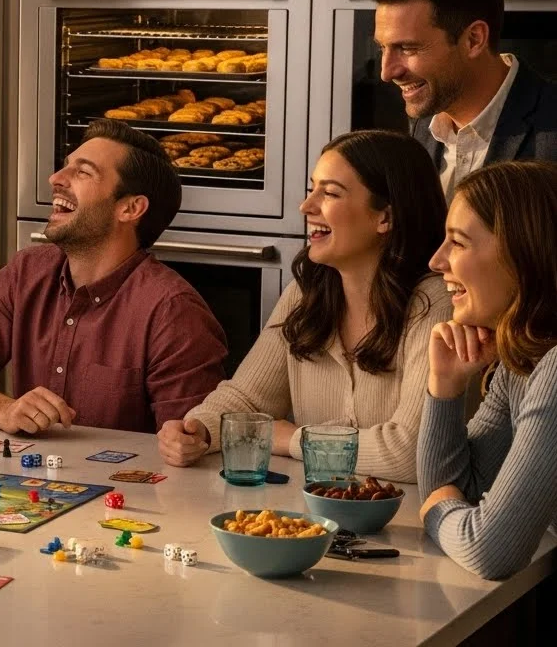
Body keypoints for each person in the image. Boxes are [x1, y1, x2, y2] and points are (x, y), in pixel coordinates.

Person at [159, 131, 450, 483]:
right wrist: (200, 430)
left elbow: (412, 450)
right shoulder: (307, 292)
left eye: (329, 193)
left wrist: (291, 438)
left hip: (411, 524)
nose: (306, 206)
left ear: (385, 217)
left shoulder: (435, 303)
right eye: (312, 189)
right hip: (316, 514)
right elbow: (248, 399)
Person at [0, 119, 226, 435]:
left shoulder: (175, 313)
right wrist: (3, 410)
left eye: (83, 172)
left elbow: (194, 451)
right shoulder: (26, 273)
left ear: (131, 208)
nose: (55, 179)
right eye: (65, 167)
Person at [418, 161, 557, 580]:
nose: (436, 260)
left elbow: (489, 550)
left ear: (522, 253)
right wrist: (444, 386)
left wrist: (435, 510)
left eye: (457, 243)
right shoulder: (523, 360)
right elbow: (469, 486)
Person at [368, 0, 557, 200]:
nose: (387, 72)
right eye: (383, 48)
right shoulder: (423, 123)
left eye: (408, 48)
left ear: (473, 40)